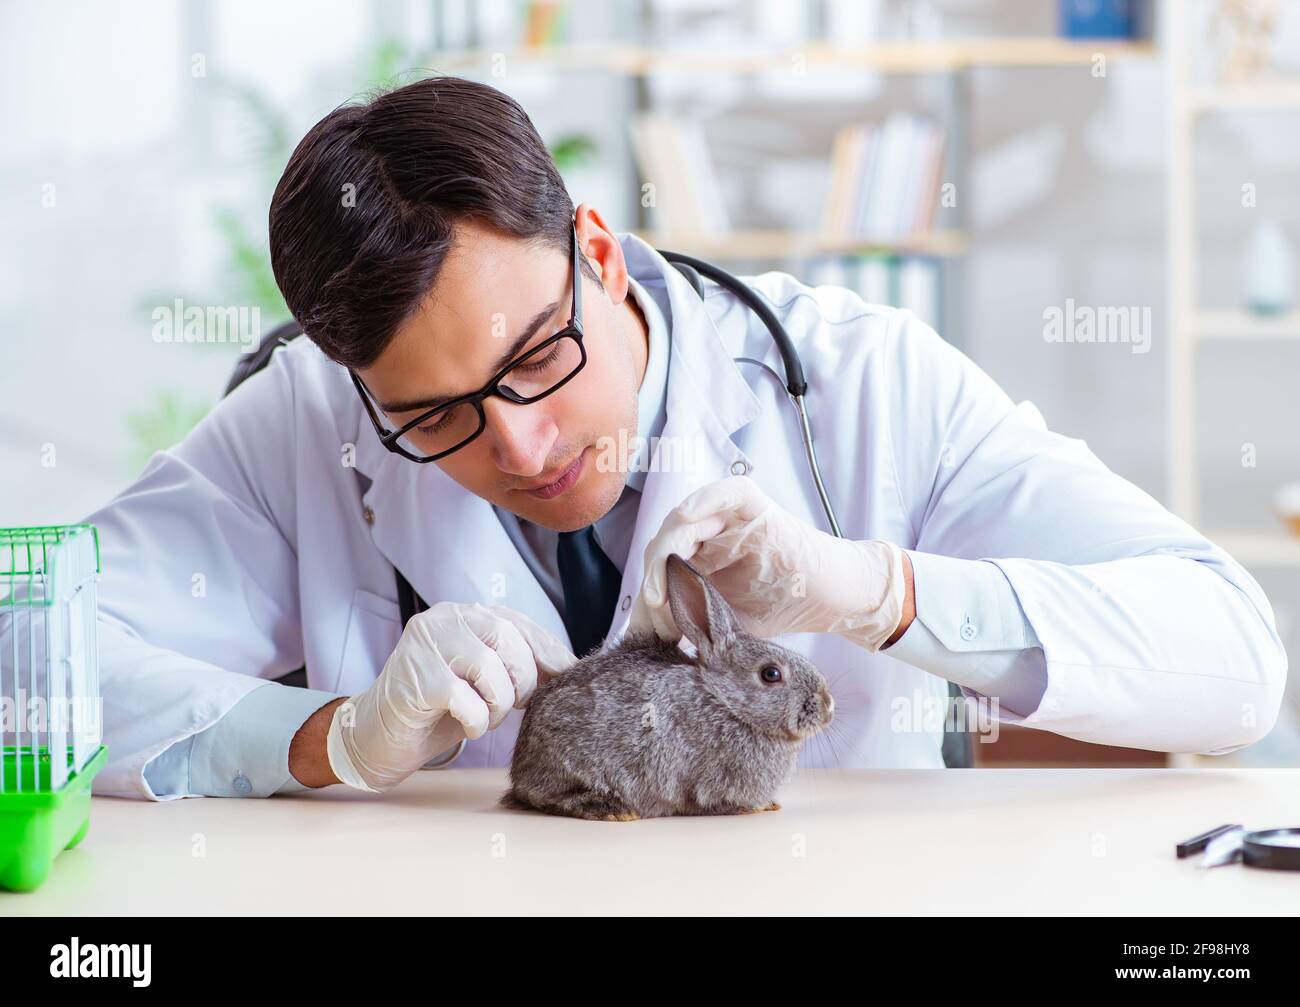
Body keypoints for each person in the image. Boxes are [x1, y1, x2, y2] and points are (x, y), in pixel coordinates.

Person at [86, 75, 1286, 800]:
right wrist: (327, 737)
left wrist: (876, 590)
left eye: (537, 354)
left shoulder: (860, 379)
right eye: (435, 415)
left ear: (597, 255)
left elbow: (1235, 661)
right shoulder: (307, 418)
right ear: (359, 387)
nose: (519, 440)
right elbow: (23, 661)